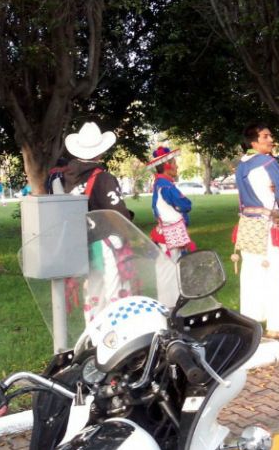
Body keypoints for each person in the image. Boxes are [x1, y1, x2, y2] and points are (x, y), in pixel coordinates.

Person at [64, 122, 136, 324]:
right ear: (100, 152)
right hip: (107, 245)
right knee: (116, 293)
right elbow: (119, 215)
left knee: (94, 293)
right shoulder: (104, 178)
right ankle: (116, 332)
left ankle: (94, 332)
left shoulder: (66, 180)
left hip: (82, 244)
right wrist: (131, 232)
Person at [232, 123, 279, 342]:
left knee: (250, 274)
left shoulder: (241, 166)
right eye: (266, 136)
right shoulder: (267, 162)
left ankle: (251, 323)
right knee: (273, 274)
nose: (271, 140)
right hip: (266, 226)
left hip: (248, 224)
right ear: (254, 141)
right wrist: (274, 188)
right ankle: (276, 326)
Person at [147, 146, 195, 262]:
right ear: (167, 165)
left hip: (168, 232)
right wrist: (186, 204)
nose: (177, 166)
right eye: (174, 163)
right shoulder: (166, 186)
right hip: (170, 235)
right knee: (172, 266)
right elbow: (185, 205)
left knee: (173, 265)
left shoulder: (160, 183)